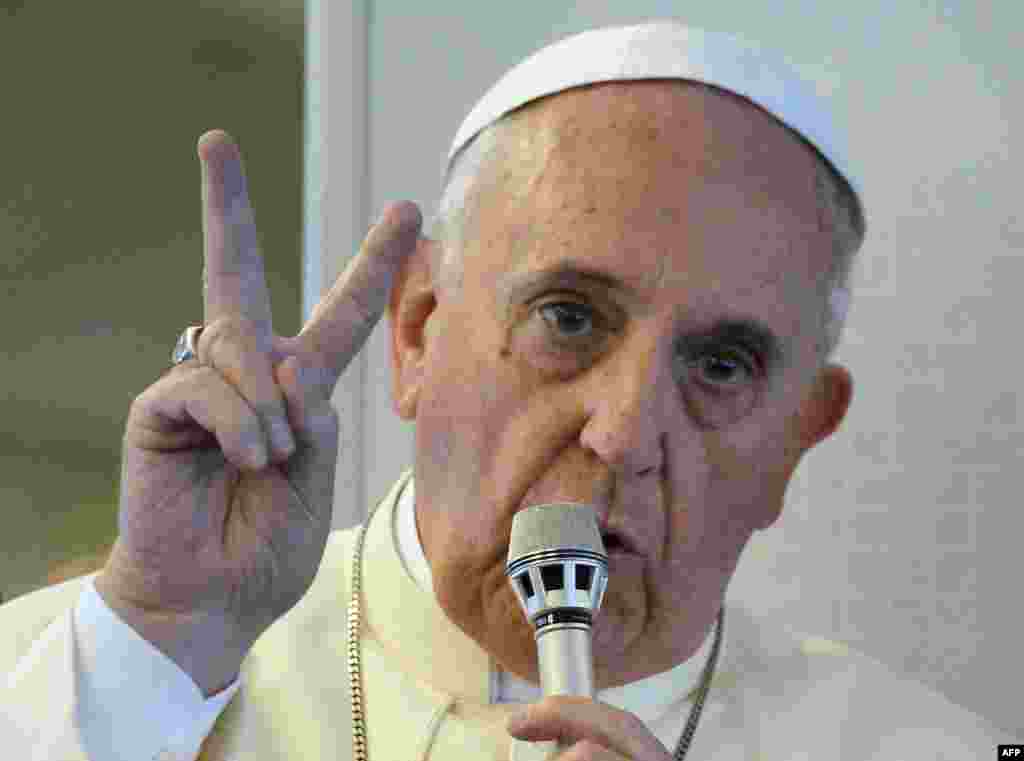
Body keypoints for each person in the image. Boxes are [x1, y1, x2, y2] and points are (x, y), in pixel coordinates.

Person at [0, 20, 1015, 761]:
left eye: (719, 366)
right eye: (569, 318)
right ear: (417, 330)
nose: (621, 432)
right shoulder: (83, 672)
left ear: (796, 438)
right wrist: (155, 660)